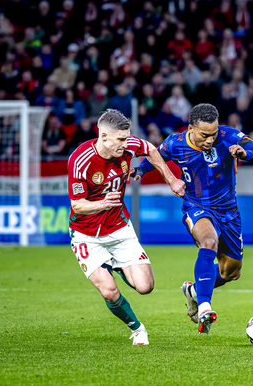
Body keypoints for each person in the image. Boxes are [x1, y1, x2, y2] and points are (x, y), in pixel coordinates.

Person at [131, 104, 253, 334]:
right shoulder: (175, 143)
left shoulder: (229, 136)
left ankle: (194, 291)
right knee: (209, 241)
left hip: (228, 212)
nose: (210, 140)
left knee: (231, 272)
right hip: (196, 206)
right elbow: (156, 156)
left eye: (213, 134)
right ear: (190, 128)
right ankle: (205, 306)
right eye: (204, 135)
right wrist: (140, 170)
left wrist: (245, 153)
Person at [67, 109, 185, 345]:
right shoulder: (80, 160)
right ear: (103, 136)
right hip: (86, 234)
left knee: (145, 287)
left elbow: (150, 149)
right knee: (109, 291)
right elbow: (77, 205)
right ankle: (137, 329)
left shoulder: (129, 145)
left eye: (127, 137)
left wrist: (171, 179)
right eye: (120, 139)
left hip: (119, 228)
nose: (125, 144)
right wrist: (101, 203)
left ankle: (117, 265)